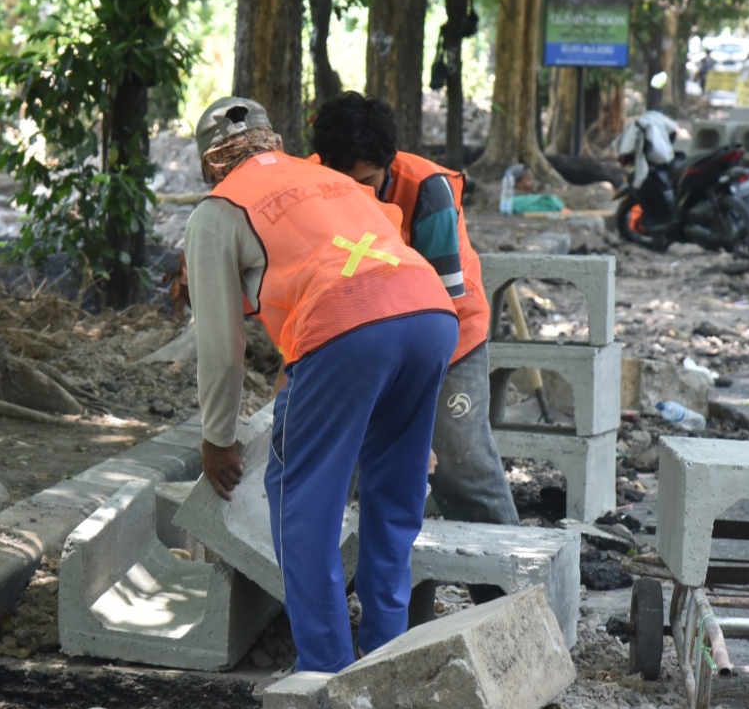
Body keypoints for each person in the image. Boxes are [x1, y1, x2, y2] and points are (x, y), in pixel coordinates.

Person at [184, 96, 458, 674]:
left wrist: (218, 435)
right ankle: (388, 656)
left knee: (300, 499)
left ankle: (327, 672)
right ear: (274, 140)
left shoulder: (218, 209)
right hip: (430, 314)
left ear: (209, 161)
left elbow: (219, 342)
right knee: (394, 496)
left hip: (349, 327)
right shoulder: (325, 179)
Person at [309, 91, 521, 606]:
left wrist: (415, 417)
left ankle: (510, 603)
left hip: (447, 336)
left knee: (458, 462)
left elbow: (440, 315)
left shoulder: (428, 192)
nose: (355, 196)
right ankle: (402, 610)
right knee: (369, 469)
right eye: (343, 183)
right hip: (369, 336)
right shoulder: (313, 183)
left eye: (366, 183)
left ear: (388, 165)